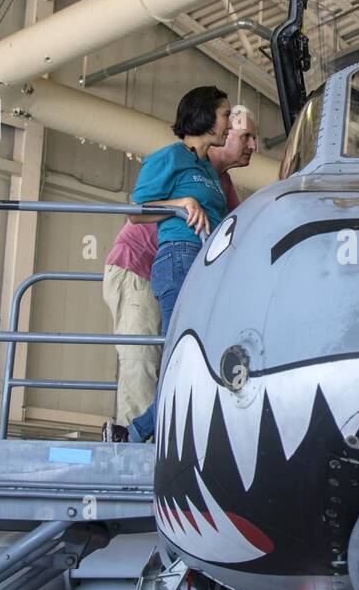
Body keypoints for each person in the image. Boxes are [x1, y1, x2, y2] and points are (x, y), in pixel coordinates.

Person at [102, 85, 231, 443]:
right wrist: (181, 202)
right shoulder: (171, 157)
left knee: (195, 357)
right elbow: (137, 210)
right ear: (205, 116)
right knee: (182, 357)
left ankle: (135, 432)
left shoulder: (208, 169)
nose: (228, 123)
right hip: (178, 257)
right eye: (225, 115)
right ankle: (135, 434)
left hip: (205, 266)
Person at [101, 221, 161, 429]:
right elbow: (139, 207)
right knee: (141, 358)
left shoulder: (222, 188)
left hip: (154, 273)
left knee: (150, 360)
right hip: (137, 269)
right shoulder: (183, 189)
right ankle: (136, 446)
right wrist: (184, 204)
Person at [209, 104, 258, 204]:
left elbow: (239, 217)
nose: (253, 146)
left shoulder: (224, 180)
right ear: (223, 132)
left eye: (253, 138)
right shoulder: (186, 161)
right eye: (246, 136)